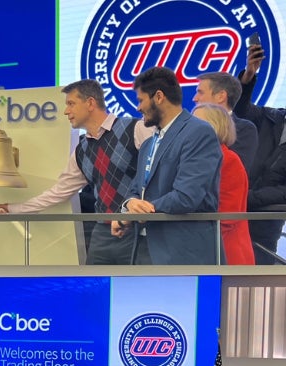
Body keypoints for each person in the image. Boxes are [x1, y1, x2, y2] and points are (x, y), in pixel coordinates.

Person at [0, 79, 154, 264]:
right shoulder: (82, 149)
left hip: (140, 232)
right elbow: (58, 193)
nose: (66, 111)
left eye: (71, 104)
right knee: (92, 289)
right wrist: (15, 209)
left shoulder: (136, 129)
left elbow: (160, 176)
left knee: (139, 289)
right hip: (102, 234)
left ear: (90, 103)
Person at [113, 66, 222, 265]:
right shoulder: (148, 143)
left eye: (140, 100)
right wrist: (129, 205)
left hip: (183, 253)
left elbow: (187, 196)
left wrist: (140, 212)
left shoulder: (199, 132)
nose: (138, 108)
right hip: (145, 248)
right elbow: (136, 189)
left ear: (159, 97)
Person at [233, 42, 286, 264]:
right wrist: (248, 77)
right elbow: (241, 110)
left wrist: (251, 198)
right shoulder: (272, 116)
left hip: (265, 220)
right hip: (235, 218)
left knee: (257, 281)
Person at [192, 104, 254, 264]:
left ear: (215, 126)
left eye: (195, 122)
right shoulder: (196, 159)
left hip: (226, 255)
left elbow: (227, 216)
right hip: (207, 252)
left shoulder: (228, 160)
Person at [192, 73, 258, 175]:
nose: (195, 98)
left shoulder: (244, 129)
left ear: (221, 96)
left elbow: (233, 172)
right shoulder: (188, 126)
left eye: (200, 93)